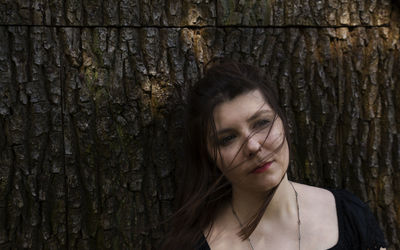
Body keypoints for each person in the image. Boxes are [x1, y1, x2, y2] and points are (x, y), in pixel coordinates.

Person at [161, 61, 387, 250]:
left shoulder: (348, 214)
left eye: (261, 123)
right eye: (228, 138)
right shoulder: (195, 245)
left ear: (283, 122)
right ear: (209, 155)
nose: (252, 146)